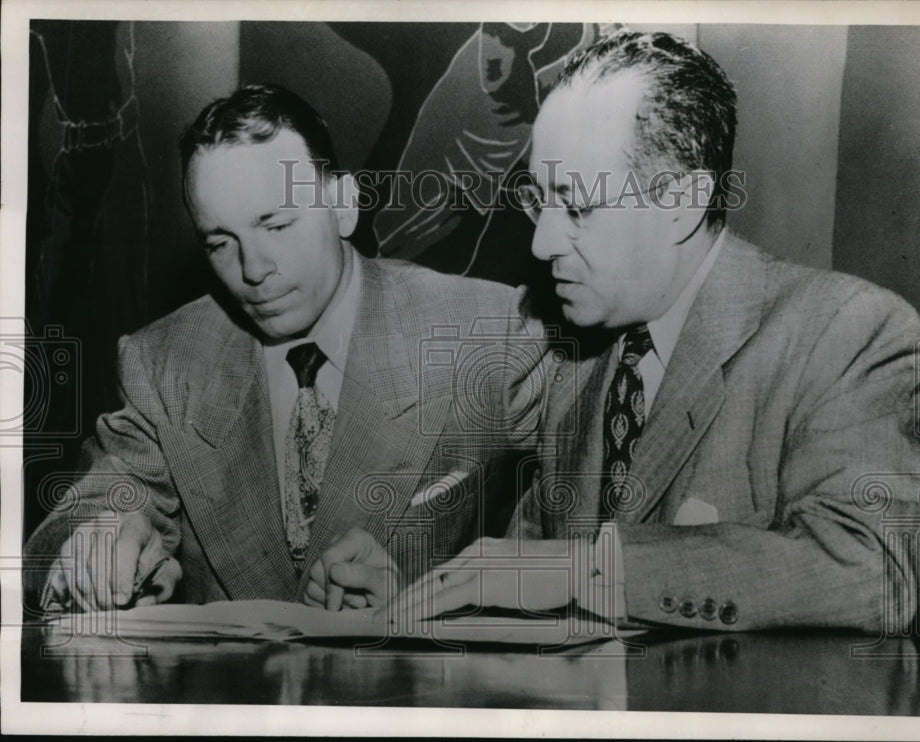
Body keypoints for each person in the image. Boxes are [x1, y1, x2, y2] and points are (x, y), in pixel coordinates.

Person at [393, 30, 920, 632]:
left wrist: (592, 570)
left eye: (575, 206)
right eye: (537, 200)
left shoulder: (845, 332)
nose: (542, 242)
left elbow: (875, 575)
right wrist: (414, 600)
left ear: (682, 201)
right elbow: (527, 569)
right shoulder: (576, 366)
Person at [23, 84, 544, 613]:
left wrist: (436, 608)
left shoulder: (485, 331)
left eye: (276, 224)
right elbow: (77, 514)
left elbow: (593, 531)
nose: (252, 270)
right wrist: (95, 541)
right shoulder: (163, 362)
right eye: (220, 242)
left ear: (343, 206)